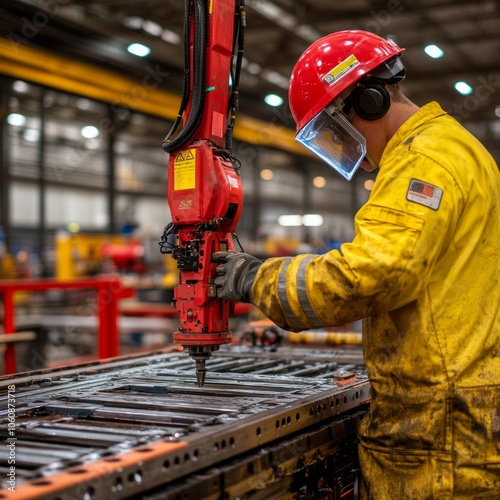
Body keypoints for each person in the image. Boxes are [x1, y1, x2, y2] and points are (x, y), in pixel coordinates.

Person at [213, 30, 500, 498]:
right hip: (454, 412)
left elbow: (373, 274)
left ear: (367, 102)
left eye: (334, 131)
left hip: (438, 433)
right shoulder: (454, 147)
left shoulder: (423, 160)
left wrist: (255, 277)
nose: (345, 150)